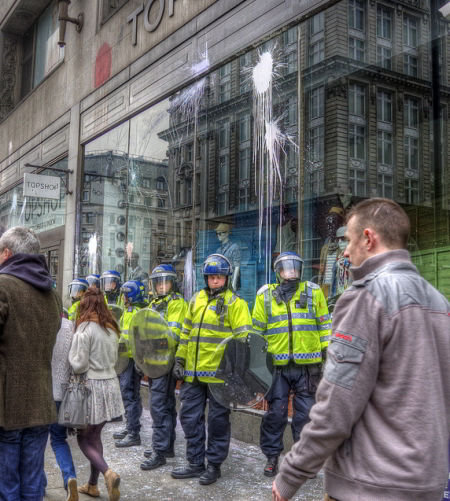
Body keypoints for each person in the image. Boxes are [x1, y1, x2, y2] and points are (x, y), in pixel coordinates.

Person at [273, 198, 450, 501]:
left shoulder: (365, 297)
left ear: (368, 239)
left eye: (349, 240)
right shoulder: (437, 301)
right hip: (426, 481)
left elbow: (336, 405)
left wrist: (292, 473)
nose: (344, 250)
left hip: (370, 483)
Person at [171, 254, 253, 485]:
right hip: (193, 375)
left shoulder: (236, 304)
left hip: (219, 376)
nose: (215, 281)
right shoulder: (195, 300)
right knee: (189, 418)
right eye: (211, 277)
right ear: (206, 278)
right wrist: (179, 361)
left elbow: (244, 342)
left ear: (226, 279)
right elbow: (185, 334)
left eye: (219, 277)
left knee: (217, 422)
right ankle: (195, 463)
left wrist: (236, 374)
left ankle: (214, 466)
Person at [252, 252, 332, 477]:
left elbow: (324, 324)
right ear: (278, 273)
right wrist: (257, 364)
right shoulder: (265, 295)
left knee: (305, 415)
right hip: (277, 366)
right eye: (286, 269)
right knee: (275, 414)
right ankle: (271, 457)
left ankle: (303, 460)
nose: (291, 272)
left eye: (295, 268)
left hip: (308, 366)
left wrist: (327, 350)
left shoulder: (313, 292)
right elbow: (256, 332)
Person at [0, 226, 62, 501]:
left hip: (7, 408)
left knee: (6, 487)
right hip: (41, 404)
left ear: (7, 253)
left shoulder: (3, 286)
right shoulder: (52, 294)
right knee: (33, 485)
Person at [69, 287, 124, 501]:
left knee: (83, 437)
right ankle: (92, 486)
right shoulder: (111, 328)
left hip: (91, 386)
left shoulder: (85, 328)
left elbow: (78, 364)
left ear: (85, 305)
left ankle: (107, 473)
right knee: (95, 435)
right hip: (110, 384)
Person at [140, 265, 187, 470]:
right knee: (165, 405)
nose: (161, 286)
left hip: (165, 361)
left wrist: (152, 343)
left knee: (158, 406)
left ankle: (159, 451)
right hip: (153, 361)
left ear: (173, 283)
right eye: (158, 283)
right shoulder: (153, 303)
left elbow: (172, 336)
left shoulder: (176, 303)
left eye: (165, 282)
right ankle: (166, 446)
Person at [113, 280, 147, 448]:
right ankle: (130, 426)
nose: (123, 297)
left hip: (134, 359)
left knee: (129, 394)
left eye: (126, 294)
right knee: (129, 393)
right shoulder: (128, 310)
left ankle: (134, 432)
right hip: (126, 358)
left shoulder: (138, 312)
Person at [50, 316, 78, 501]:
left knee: (35, 442)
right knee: (59, 440)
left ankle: (39, 483)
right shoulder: (70, 326)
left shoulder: (42, 322)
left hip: (45, 392)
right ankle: (70, 478)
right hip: (64, 393)